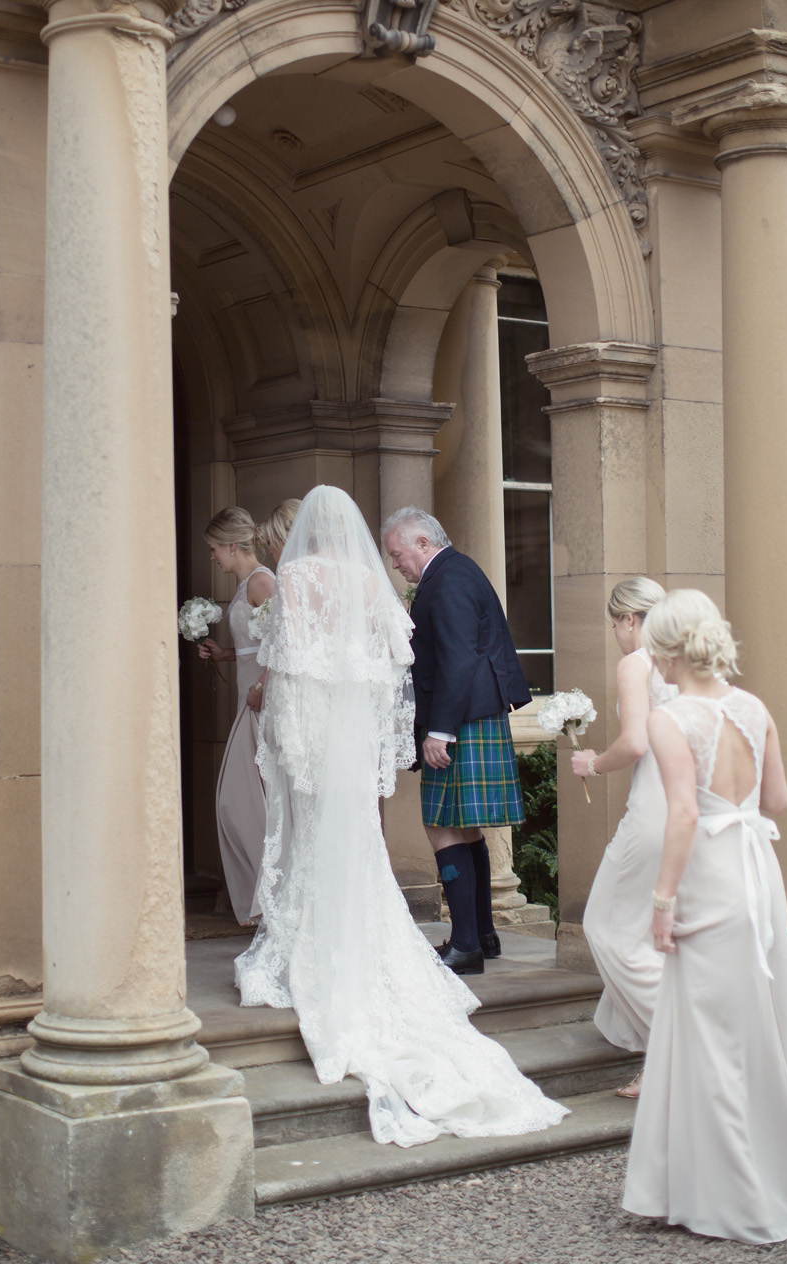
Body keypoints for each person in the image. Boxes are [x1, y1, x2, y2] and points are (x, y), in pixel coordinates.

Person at [236, 485, 569, 1147]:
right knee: (366, 846)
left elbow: (291, 659)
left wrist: (287, 721)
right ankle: (468, 938)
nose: (396, 566)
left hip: (322, 732)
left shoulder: (301, 577)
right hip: (355, 741)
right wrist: (384, 734)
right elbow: (398, 662)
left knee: (347, 841)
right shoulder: (370, 584)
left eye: (400, 555)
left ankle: (445, 941)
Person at [623, 589, 787, 1243]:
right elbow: (774, 798)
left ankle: (739, 1199)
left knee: (712, 1040)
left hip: (709, 881)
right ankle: (741, 1180)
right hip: (756, 874)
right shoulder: (754, 708)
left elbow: (685, 814)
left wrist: (662, 902)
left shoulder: (674, 718)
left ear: (666, 651)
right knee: (754, 1029)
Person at [381, 506, 530, 975]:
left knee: (442, 825)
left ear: (423, 543)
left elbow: (458, 660)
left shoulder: (446, 580)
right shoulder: (456, 571)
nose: (395, 564)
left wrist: (438, 731)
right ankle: (480, 935)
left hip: (462, 718)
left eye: (397, 553)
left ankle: (466, 944)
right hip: (475, 715)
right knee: (465, 827)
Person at [572, 578, 676, 1097]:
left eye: (615, 622)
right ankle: (660, 1059)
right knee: (650, 934)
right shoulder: (687, 662)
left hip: (653, 810)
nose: (615, 632)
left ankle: (683, 1045)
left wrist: (592, 761)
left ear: (629, 619)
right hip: (688, 809)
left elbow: (635, 742)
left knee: (605, 925)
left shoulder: (636, 664)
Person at [197, 507, 275, 925]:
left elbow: (287, 642)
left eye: (213, 549)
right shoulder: (248, 583)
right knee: (243, 801)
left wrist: (261, 688)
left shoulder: (263, 582)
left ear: (231, 545)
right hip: (249, 697)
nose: (212, 557)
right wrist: (225, 653)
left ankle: (272, 896)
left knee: (242, 801)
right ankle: (266, 898)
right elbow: (256, 644)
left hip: (261, 703)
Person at [244, 498, 302, 715]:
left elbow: (286, 643)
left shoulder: (291, 576)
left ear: (283, 539)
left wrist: (260, 687)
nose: (269, 551)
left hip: (294, 691)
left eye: (270, 543)